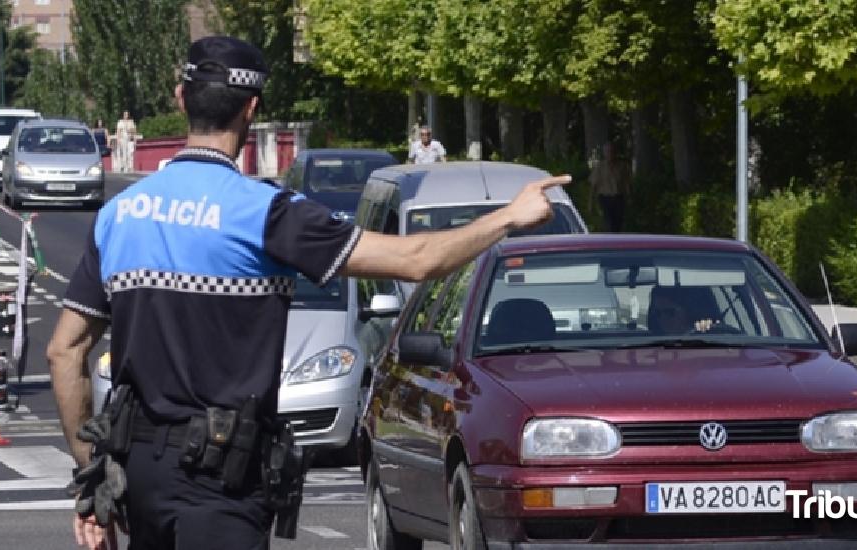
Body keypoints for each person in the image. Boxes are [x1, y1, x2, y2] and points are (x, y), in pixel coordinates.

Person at [47, 36, 569, 550]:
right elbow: (417, 260)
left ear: (181, 100)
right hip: (223, 472)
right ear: (252, 109)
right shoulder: (266, 213)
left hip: (143, 473)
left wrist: (91, 479)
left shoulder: (120, 214)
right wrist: (508, 216)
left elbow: (64, 350)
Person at [588, 141, 628, 232]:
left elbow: (626, 184)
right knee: (608, 223)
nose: (610, 154)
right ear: (604, 153)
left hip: (618, 198)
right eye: (608, 151)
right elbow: (593, 186)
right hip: (605, 199)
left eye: (612, 151)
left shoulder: (622, 166)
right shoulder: (600, 167)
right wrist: (590, 203)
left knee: (618, 223)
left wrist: (629, 198)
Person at [647, 286, 719, 335]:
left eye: (669, 312)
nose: (662, 318)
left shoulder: (709, 339)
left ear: (688, 310)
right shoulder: (646, 345)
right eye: (657, 313)